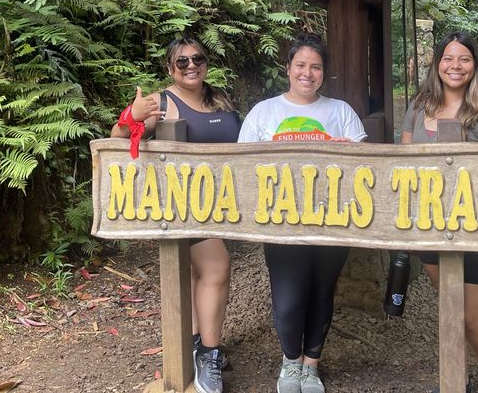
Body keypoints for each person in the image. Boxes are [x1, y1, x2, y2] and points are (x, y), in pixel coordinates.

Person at [238, 32, 367, 393]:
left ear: (324, 72)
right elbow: (239, 165)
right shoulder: (264, 112)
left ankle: (311, 366)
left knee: (323, 292)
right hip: (280, 223)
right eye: (300, 65)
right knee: (289, 297)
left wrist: (349, 151)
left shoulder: (340, 111)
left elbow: (368, 168)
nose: (307, 73)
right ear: (288, 68)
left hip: (332, 221)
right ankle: (290, 363)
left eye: (315, 67)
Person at [111, 36, 240, 393]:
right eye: (181, 62)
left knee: (199, 274)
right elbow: (120, 138)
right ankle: (210, 357)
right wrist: (130, 117)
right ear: (170, 68)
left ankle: (197, 344)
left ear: (206, 62)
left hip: (222, 203)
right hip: (182, 204)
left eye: (197, 58)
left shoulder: (220, 98)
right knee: (216, 268)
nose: (191, 66)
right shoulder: (161, 102)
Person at [401, 31, 478, 393]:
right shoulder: (418, 108)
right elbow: (403, 164)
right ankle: (455, 379)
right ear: (437, 62)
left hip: (476, 229)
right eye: (448, 58)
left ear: (475, 65)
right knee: (450, 305)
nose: (455, 66)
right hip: (427, 224)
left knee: (470, 313)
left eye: (464, 59)